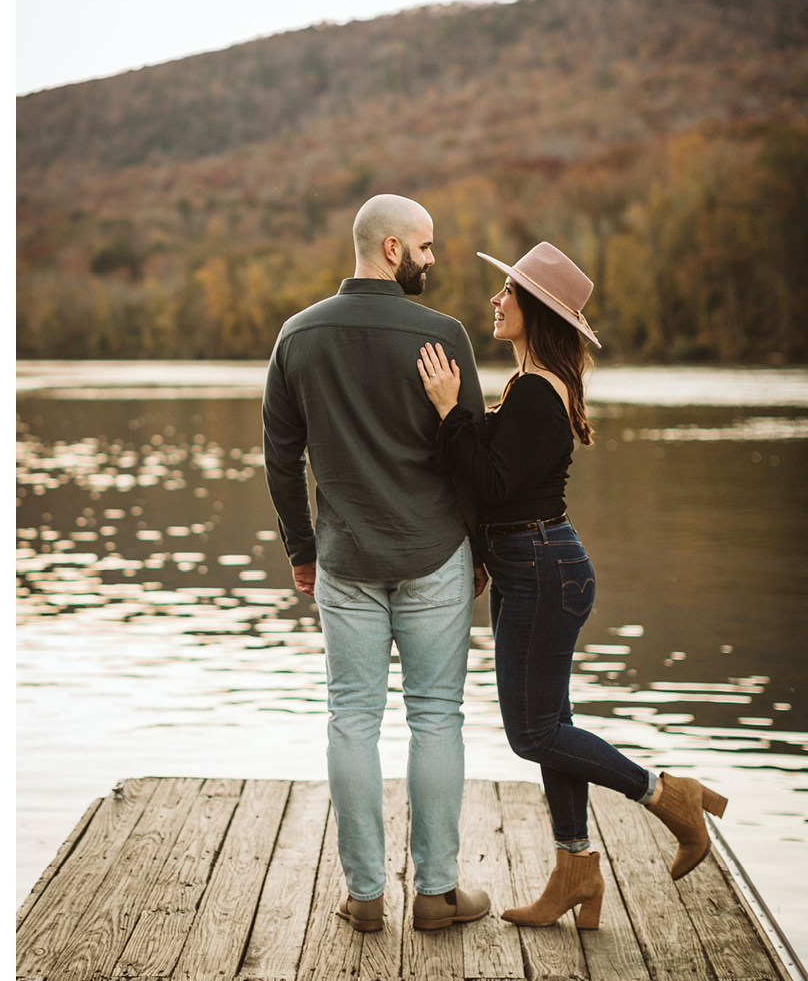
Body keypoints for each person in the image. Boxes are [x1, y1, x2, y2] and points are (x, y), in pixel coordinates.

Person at [415, 242, 728, 929]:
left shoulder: (535, 390)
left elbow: (491, 482)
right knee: (551, 726)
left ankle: (668, 795)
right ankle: (577, 869)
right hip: (534, 563)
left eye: (508, 293)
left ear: (536, 311)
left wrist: (447, 410)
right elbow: (501, 485)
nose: (496, 300)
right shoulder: (536, 384)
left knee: (533, 734)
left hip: (539, 567)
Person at [263, 193, 491, 934]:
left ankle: (364, 895)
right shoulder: (443, 334)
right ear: (392, 248)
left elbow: (280, 458)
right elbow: (473, 455)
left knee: (351, 721)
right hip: (435, 556)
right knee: (435, 718)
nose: (433, 259)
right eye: (426, 246)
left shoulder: (297, 337)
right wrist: (481, 555)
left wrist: (303, 549)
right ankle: (437, 892)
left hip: (346, 558)